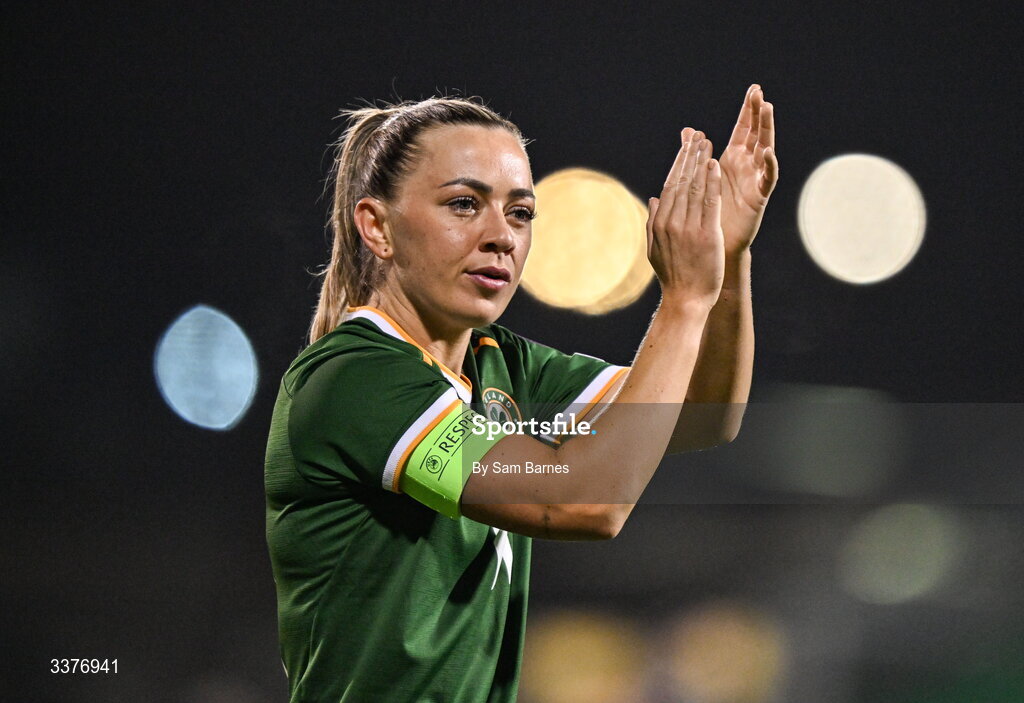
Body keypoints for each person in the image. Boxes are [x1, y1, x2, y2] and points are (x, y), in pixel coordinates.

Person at [265, 89, 777, 702]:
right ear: (377, 227)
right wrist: (683, 300)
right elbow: (586, 504)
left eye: (520, 212)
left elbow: (699, 417)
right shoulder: (355, 378)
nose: (500, 236)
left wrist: (726, 257)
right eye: (463, 204)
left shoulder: (505, 366)